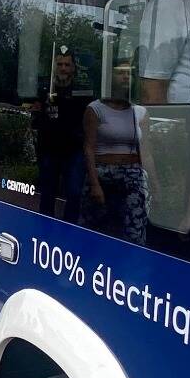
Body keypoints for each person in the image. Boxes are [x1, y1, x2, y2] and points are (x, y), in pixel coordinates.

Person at [83, 69, 146, 246]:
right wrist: (94, 184)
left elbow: (145, 150)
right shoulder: (95, 109)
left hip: (131, 173)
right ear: (110, 78)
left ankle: (132, 266)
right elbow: (88, 147)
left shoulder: (138, 111)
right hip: (102, 172)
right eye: (120, 73)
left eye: (129, 73)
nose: (126, 76)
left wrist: (153, 181)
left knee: (134, 227)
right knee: (94, 226)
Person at [26, 49, 89, 223]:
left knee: (74, 192)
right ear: (54, 67)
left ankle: (69, 230)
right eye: (60, 64)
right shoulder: (44, 89)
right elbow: (34, 115)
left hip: (73, 150)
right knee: (47, 193)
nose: (63, 68)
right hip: (49, 149)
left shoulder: (82, 92)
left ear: (73, 68)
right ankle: (45, 231)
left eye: (67, 65)